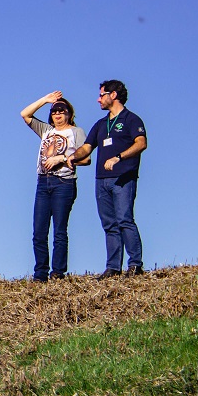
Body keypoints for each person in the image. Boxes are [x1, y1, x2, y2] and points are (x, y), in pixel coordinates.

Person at [67, 80, 147, 279]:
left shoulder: (131, 119)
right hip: (101, 180)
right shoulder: (101, 124)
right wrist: (73, 156)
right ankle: (113, 267)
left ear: (114, 95)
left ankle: (135, 264)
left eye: (102, 95)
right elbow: (87, 147)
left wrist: (119, 157)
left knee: (124, 219)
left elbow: (141, 143)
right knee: (109, 224)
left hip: (123, 178)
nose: (98, 99)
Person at [20, 91, 89, 282]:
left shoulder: (76, 132)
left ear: (69, 113)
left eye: (62, 110)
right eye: (54, 111)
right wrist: (44, 100)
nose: (57, 114)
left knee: (59, 230)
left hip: (63, 182)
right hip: (43, 181)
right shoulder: (46, 131)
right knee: (39, 231)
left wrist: (63, 159)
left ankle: (58, 272)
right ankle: (40, 273)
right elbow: (24, 114)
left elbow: (87, 159)